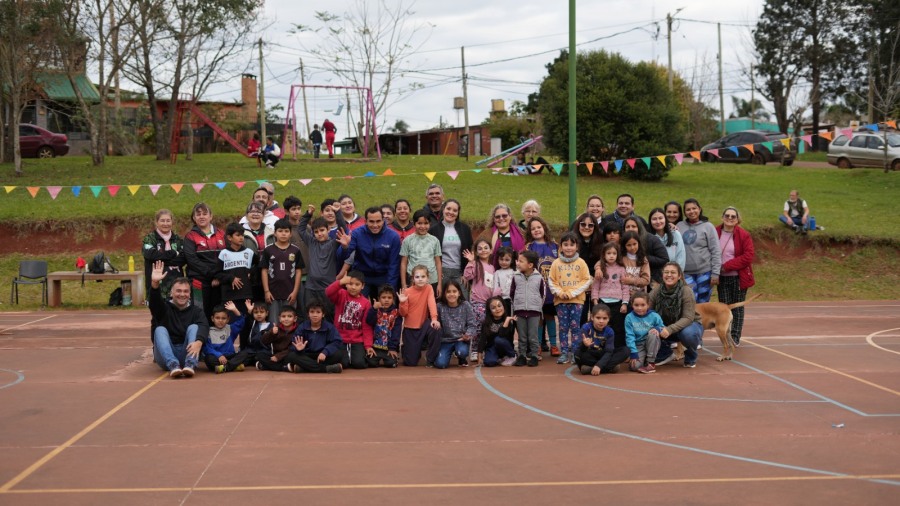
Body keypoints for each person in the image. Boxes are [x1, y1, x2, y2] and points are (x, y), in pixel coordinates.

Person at [148, 261, 208, 378]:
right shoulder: (164, 308)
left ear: (190, 294)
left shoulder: (196, 311)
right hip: (165, 356)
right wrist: (155, 284)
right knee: (160, 329)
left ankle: (190, 364)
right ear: (171, 292)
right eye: (178, 291)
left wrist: (199, 342)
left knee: (195, 327)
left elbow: (204, 326)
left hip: (187, 351)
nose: (182, 294)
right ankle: (173, 365)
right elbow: (154, 305)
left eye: (185, 291)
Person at [547, 232, 592, 366]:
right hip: (561, 301)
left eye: (571, 245)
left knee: (575, 327)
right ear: (561, 247)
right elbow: (551, 281)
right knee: (563, 327)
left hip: (576, 301)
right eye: (565, 245)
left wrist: (572, 293)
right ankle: (564, 352)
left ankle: (575, 352)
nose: (568, 248)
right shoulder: (556, 263)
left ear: (577, 247)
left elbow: (586, 280)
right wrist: (560, 293)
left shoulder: (581, 263)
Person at [298, 204, 348, 321]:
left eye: (322, 230)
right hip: (311, 288)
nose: (319, 234)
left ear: (328, 230)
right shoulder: (311, 242)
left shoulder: (333, 243)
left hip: (327, 287)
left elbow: (343, 229)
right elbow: (301, 229)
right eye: (316, 232)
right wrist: (308, 214)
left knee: (329, 315)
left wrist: (338, 213)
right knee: (310, 315)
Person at [650, 262, 704, 368]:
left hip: (688, 325)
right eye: (666, 272)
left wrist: (669, 329)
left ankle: (690, 357)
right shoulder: (657, 290)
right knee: (647, 328)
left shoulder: (686, 291)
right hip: (666, 326)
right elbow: (646, 307)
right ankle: (665, 354)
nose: (669, 275)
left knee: (688, 334)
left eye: (673, 272)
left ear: (679, 276)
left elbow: (688, 318)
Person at [338, 206, 401, 297]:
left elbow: (394, 264)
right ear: (365, 221)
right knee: (356, 304)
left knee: (385, 305)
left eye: (378, 221)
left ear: (383, 220)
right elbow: (342, 257)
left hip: (383, 276)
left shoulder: (393, 236)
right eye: (371, 221)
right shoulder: (357, 233)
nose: (375, 225)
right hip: (362, 276)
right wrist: (344, 247)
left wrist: (390, 287)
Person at [716, 206, 756, 346]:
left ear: (738, 219)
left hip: (738, 277)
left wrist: (727, 266)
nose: (730, 218)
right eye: (727, 215)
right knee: (724, 307)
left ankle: (735, 337)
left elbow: (748, 256)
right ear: (722, 217)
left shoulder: (744, 235)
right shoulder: (715, 231)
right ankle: (725, 334)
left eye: (733, 216)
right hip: (721, 277)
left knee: (737, 307)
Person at [216, 222, 258, 348]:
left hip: (245, 295)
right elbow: (217, 273)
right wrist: (230, 278)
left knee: (245, 324)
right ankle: (226, 350)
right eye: (238, 235)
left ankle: (245, 351)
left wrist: (251, 272)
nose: (241, 238)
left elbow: (260, 265)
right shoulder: (223, 253)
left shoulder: (249, 252)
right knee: (230, 325)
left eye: (242, 235)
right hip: (229, 296)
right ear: (229, 238)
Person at [183, 202, 225, 321]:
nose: (202, 216)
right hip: (199, 282)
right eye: (198, 214)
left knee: (218, 316)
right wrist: (213, 275)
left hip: (219, 282)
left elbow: (227, 256)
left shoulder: (222, 234)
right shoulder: (190, 236)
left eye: (205, 214)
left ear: (211, 216)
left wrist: (219, 277)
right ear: (194, 218)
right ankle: (200, 339)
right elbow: (192, 261)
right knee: (199, 314)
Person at [525, 216, 559, 356]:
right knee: (538, 318)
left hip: (552, 290)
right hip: (536, 290)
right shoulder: (529, 247)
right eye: (533, 228)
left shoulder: (554, 246)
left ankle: (554, 345)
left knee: (550, 317)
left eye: (539, 227)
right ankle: (537, 345)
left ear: (544, 228)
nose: (536, 230)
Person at [326, 271, 374, 370]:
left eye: (357, 284)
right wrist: (340, 282)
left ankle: (353, 357)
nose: (353, 287)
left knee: (359, 364)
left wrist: (368, 345)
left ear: (363, 286)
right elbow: (328, 292)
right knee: (344, 363)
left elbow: (366, 326)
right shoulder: (341, 294)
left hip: (357, 340)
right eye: (350, 284)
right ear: (346, 285)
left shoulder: (366, 303)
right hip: (340, 339)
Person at [260, 218, 304, 324]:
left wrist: (295, 292)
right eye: (280, 231)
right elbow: (264, 271)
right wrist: (266, 291)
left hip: (290, 293)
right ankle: (274, 340)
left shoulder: (296, 250)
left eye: (286, 231)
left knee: (289, 321)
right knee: (274, 321)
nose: (283, 234)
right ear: (274, 233)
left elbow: (298, 272)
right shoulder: (268, 250)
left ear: (290, 233)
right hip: (272, 293)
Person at [677, 198, 721, 303]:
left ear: (700, 209)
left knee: (703, 303)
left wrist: (715, 273)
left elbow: (716, 250)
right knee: (690, 302)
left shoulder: (708, 226)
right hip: (686, 273)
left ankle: (701, 321)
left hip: (704, 272)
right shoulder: (679, 226)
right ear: (684, 212)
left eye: (694, 208)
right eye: (688, 209)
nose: (691, 211)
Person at [398, 266, 441, 367]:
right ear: (413, 278)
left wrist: (434, 319)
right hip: (410, 329)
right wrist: (402, 303)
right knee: (410, 363)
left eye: (423, 276)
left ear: (428, 278)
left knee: (436, 328)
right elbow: (403, 313)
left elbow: (432, 303)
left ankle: (430, 359)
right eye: (417, 277)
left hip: (424, 325)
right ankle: (407, 349)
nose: (420, 279)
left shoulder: (429, 288)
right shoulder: (407, 291)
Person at [285, 301, 344, 373]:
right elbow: (294, 343)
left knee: (338, 354)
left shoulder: (329, 327)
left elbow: (336, 341)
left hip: (323, 355)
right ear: (308, 314)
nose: (315, 315)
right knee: (292, 356)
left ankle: (304, 368)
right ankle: (326, 369)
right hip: (307, 355)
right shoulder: (302, 327)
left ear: (323, 314)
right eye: (312, 312)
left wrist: (325, 352)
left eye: (318, 312)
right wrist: (299, 349)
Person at [510, 250, 546, 366]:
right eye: (518, 261)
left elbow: (543, 294)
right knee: (522, 336)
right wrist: (517, 305)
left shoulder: (539, 278)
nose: (518, 263)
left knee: (533, 336)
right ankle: (522, 356)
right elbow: (512, 293)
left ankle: (534, 356)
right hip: (519, 311)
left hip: (534, 312)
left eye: (521, 261)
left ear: (530, 265)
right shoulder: (515, 276)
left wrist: (537, 306)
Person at [428, 199, 472, 289]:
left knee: (464, 301)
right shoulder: (433, 230)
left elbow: (470, 251)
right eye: (448, 209)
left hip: (460, 273)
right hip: (442, 272)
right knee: (441, 301)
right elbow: (429, 254)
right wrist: (436, 272)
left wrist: (466, 273)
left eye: (455, 210)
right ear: (443, 209)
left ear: (458, 213)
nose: (451, 212)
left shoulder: (465, 229)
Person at [142, 209, 185, 300]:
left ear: (172, 222)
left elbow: (183, 259)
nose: (165, 224)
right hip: (156, 285)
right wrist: (173, 253)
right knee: (158, 313)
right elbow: (150, 255)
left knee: (177, 313)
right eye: (162, 220)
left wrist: (161, 259)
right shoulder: (149, 239)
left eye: (168, 221)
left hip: (177, 285)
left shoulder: (178, 240)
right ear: (156, 222)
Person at [591, 241, 629, 344]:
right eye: (608, 253)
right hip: (603, 302)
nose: (611, 256)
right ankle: (602, 347)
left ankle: (618, 348)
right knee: (602, 326)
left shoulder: (621, 269)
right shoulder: (600, 269)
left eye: (614, 253)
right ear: (604, 254)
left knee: (618, 327)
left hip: (618, 303)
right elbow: (595, 287)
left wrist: (625, 303)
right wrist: (595, 302)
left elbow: (625, 287)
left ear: (617, 255)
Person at [434, 279, 477, 368]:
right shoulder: (439, 306)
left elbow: (472, 324)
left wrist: (467, 335)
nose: (451, 294)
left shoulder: (466, 305)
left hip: (461, 340)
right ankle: (444, 354)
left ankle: (462, 358)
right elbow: (436, 323)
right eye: (448, 292)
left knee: (462, 352)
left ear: (459, 293)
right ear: (444, 294)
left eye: (454, 291)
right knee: (440, 364)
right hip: (445, 341)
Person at [574, 304, 628, 375]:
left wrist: (599, 365)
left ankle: (591, 369)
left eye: (604, 318)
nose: (601, 321)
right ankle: (608, 368)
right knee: (577, 354)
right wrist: (584, 345)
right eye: (598, 318)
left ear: (608, 319)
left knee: (625, 351)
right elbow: (581, 350)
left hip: (602, 354)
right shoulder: (586, 328)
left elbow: (609, 352)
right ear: (592, 317)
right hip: (590, 354)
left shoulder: (610, 331)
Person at [399, 209, 442, 293]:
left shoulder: (434, 240)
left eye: (426, 223)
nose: (422, 226)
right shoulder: (408, 240)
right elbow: (403, 263)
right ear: (414, 223)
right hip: (413, 280)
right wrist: (404, 284)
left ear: (430, 224)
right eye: (419, 223)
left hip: (431, 280)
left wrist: (439, 283)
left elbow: (438, 262)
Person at [203, 300, 248, 373]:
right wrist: (219, 355)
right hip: (217, 358)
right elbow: (207, 348)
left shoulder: (230, 329)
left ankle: (225, 367)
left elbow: (241, 322)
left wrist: (235, 310)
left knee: (245, 353)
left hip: (230, 357)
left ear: (228, 319)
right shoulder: (208, 331)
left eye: (223, 318)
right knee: (208, 358)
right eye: (217, 318)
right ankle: (233, 366)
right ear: (212, 318)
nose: (220, 320)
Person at [624, 291, 663, 374]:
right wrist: (633, 352)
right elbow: (629, 336)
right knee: (634, 367)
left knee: (653, 333)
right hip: (638, 345)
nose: (639, 308)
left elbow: (662, 327)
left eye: (643, 305)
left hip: (651, 342)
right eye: (636, 305)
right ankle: (644, 359)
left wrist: (658, 329)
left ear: (648, 305)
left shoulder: (654, 316)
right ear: (632, 305)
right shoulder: (629, 317)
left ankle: (651, 363)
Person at [462, 238, 495, 336]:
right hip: (477, 302)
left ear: (491, 250)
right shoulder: (476, 264)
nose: (483, 250)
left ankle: (484, 348)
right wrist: (471, 262)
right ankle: (475, 349)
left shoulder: (492, 267)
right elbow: (468, 276)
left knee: (487, 327)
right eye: (480, 249)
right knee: (477, 327)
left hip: (488, 302)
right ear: (476, 252)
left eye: (486, 248)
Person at [478, 203, 526, 268]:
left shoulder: (521, 233)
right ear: (494, 219)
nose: (501, 218)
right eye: (497, 217)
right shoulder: (486, 234)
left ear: (510, 216)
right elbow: (476, 250)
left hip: (517, 271)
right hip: (492, 271)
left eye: (504, 216)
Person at [623, 216, 667, 286]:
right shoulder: (622, 242)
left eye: (634, 226)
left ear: (639, 227)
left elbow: (664, 259)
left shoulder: (651, 239)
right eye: (627, 227)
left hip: (652, 279)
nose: (630, 229)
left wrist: (641, 257)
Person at [365, 285, 402, 368]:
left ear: (393, 299)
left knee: (391, 363)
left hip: (389, 347)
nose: (386, 300)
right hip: (375, 346)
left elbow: (396, 332)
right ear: (378, 298)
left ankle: (392, 357)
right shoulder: (375, 310)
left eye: (389, 298)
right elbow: (369, 321)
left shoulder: (396, 313)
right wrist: (374, 309)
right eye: (383, 297)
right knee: (371, 363)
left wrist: (392, 348)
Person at [256, 306, 301, 371]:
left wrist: (279, 356)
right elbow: (263, 341)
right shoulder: (276, 328)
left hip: (287, 354)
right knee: (260, 354)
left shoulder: (299, 330)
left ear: (295, 319)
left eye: (289, 316)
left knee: (293, 356)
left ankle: (266, 366)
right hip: (275, 354)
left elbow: (293, 348)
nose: (286, 319)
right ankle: (284, 368)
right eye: (283, 316)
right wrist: (272, 333)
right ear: (279, 318)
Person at [478, 296, 517, 367]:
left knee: (498, 340)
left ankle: (512, 356)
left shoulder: (509, 322)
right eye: (493, 308)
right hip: (492, 348)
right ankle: (498, 358)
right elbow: (482, 339)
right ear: (489, 311)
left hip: (505, 348)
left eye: (499, 306)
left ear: (504, 307)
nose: (497, 309)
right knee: (489, 362)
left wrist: (507, 321)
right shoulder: (486, 323)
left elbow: (502, 335)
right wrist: (479, 357)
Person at [233, 301, 272, 367]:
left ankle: (259, 363)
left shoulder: (271, 326)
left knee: (262, 357)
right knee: (242, 355)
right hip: (251, 350)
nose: (259, 314)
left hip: (263, 351)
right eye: (256, 312)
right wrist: (249, 312)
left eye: (262, 312)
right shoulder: (252, 324)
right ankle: (227, 366)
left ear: (267, 313)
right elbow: (246, 321)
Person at [620, 231, 651, 298]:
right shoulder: (620, 258)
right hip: (623, 295)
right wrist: (598, 268)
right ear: (624, 246)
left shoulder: (643, 259)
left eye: (634, 244)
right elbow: (603, 262)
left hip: (639, 296)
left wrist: (631, 281)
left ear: (639, 243)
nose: (632, 247)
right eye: (629, 245)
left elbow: (646, 280)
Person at [491, 246, 516, 315]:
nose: (503, 262)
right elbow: (495, 287)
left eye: (507, 260)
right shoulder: (497, 273)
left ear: (512, 260)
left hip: (514, 301)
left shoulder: (515, 272)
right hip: (502, 300)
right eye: (501, 259)